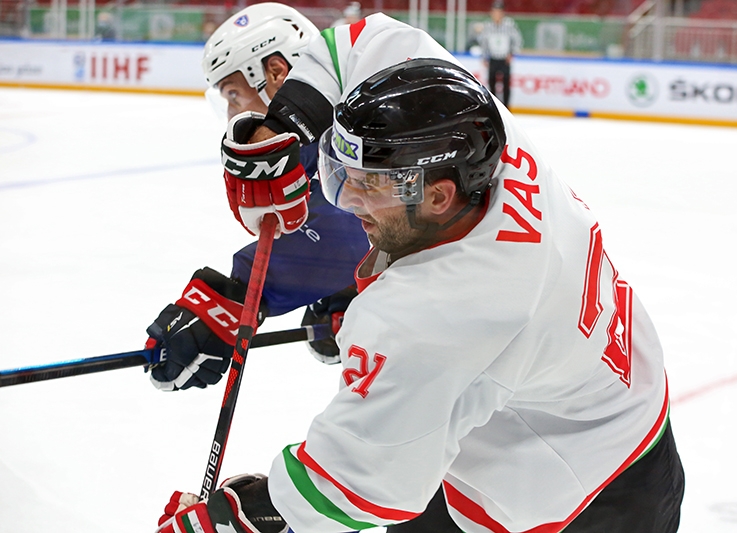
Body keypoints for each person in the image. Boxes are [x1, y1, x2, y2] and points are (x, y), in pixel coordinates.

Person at [156, 13, 684, 533]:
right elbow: (361, 44)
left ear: (437, 195)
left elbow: (351, 486)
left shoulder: (442, 313)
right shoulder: (473, 134)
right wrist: (283, 125)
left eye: (368, 185)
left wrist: (236, 518)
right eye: (344, 176)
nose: (349, 200)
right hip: (595, 404)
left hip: (579, 497)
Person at [144, 2, 370, 393]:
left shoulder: (354, 121)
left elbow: (349, 235)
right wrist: (350, 287)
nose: (233, 112)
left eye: (233, 94)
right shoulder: (319, 132)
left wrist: (233, 299)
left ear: (276, 73)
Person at [478, 0, 522, 107]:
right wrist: (484, 57)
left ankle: (506, 107)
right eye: (495, 11)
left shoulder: (509, 24)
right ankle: (495, 107)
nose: (497, 14)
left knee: (506, 84)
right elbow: (484, 42)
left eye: (499, 11)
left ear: (503, 13)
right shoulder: (488, 26)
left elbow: (517, 39)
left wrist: (511, 53)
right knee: (492, 83)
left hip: (504, 59)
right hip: (493, 58)